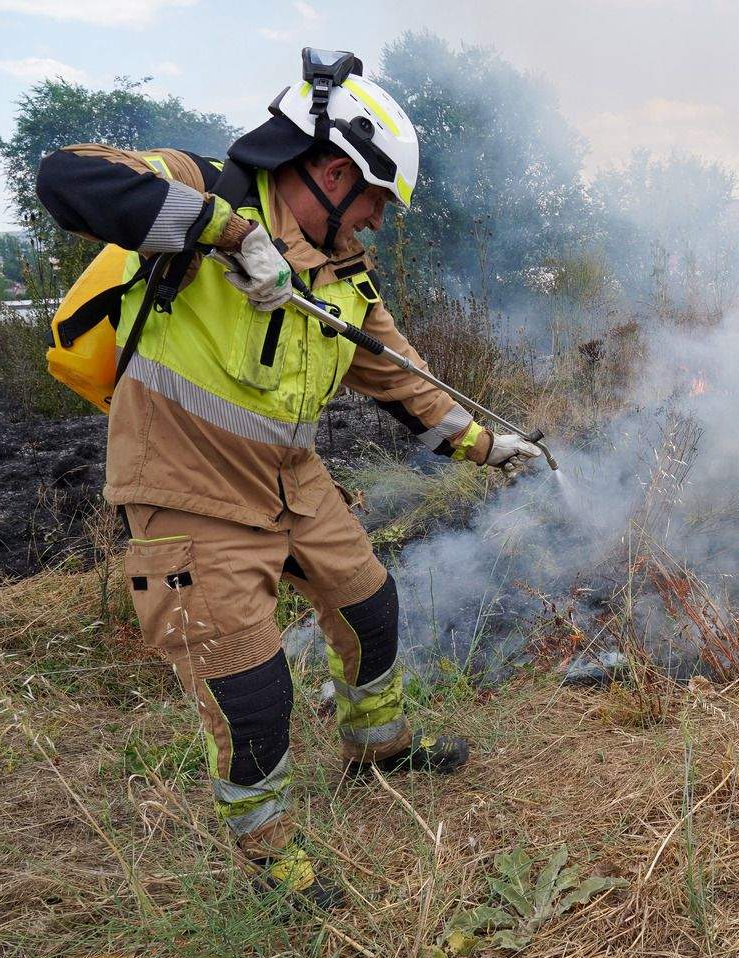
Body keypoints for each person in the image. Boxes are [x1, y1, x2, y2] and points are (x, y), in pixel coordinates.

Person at [34, 49, 542, 909]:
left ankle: (376, 746)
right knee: (253, 689)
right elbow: (67, 177)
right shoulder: (206, 186)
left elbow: (402, 376)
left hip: (288, 478)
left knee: (369, 603)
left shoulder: (343, 274)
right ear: (337, 171)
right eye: (379, 200)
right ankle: (268, 852)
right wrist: (229, 235)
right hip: (187, 489)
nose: (379, 222)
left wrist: (487, 445)